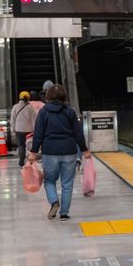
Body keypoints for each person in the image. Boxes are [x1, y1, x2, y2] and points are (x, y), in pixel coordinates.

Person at [27, 85, 89, 220]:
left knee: (49, 181)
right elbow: (78, 134)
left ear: (48, 96)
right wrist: (84, 150)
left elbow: (38, 134)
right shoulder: (70, 112)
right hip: (69, 151)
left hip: (50, 152)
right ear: (64, 96)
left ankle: (54, 202)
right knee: (67, 183)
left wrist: (33, 152)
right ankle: (64, 213)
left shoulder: (43, 112)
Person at [9, 91, 39, 166]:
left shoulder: (15, 107)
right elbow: (34, 119)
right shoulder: (31, 107)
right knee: (29, 145)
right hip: (29, 130)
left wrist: (13, 128)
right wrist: (35, 129)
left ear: (20, 98)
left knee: (21, 145)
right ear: (28, 98)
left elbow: (12, 119)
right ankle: (30, 160)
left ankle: (21, 158)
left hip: (19, 129)